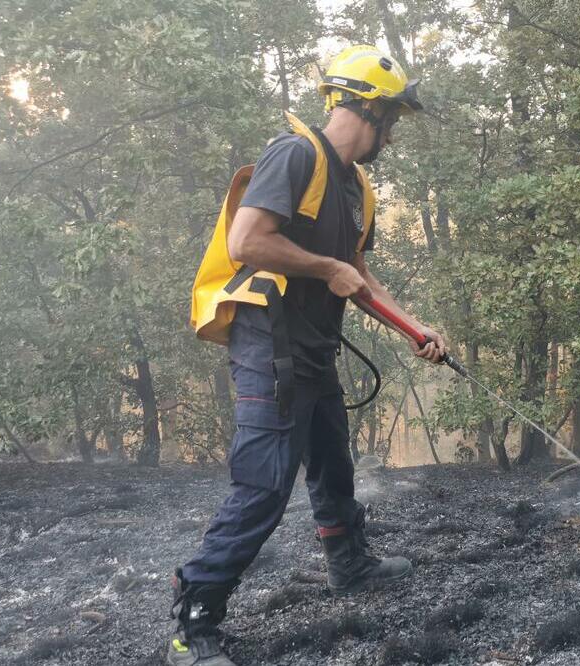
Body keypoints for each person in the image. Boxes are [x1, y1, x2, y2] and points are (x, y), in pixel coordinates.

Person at [169, 45, 447, 666]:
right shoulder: (295, 155)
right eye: (392, 118)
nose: (393, 133)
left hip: (312, 348)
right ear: (365, 110)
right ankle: (194, 620)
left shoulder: (356, 188)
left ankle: (349, 563)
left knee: (330, 456)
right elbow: (247, 241)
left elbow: (360, 276)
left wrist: (414, 328)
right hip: (268, 346)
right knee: (265, 485)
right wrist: (326, 267)